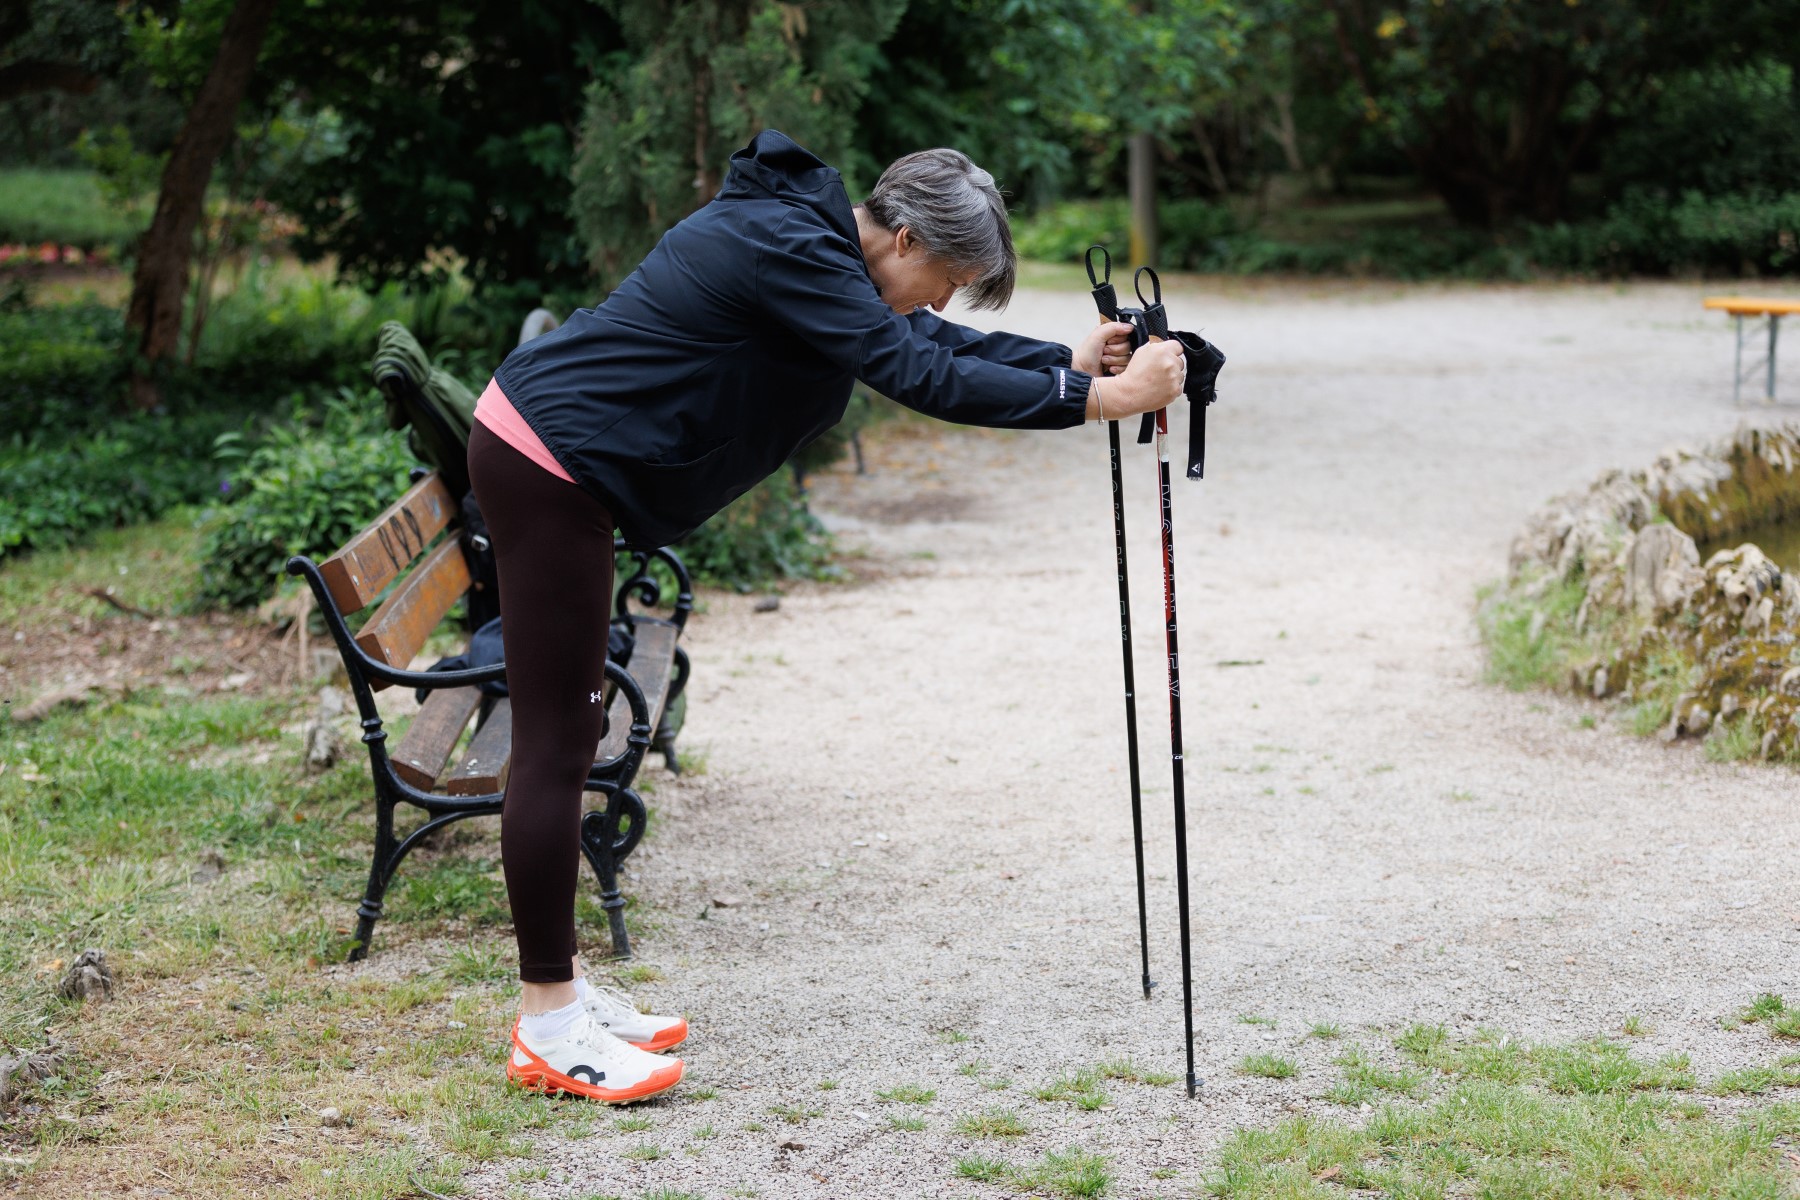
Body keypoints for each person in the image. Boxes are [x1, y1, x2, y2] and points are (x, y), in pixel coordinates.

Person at [468, 129, 1188, 1104]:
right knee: (558, 743)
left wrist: (1060, 360)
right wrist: (1098, 398)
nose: (942, 300)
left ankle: (564, 996)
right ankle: (548, 1022)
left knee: (575, 728)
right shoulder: (790, 248)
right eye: (944, 276)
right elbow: (913, 368)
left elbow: (922, 342)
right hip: (551, 462)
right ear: (898, 236)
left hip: (563, 459)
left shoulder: (817, 252)